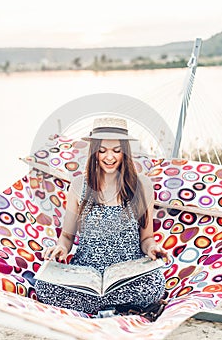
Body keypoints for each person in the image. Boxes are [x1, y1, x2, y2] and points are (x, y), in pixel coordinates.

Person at [35, 117, 168, 314]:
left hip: (129, 273)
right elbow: (67, 236)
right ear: (94, 151)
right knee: (44, 288)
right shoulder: (79, 185)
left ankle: (105, 306)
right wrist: (61, 249)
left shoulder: (143, 186)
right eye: (102, 150)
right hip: (87, 272)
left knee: (154, 284)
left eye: (116, 151)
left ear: (125, 152)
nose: (109, 157)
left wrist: (153, 248)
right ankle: (117, 307)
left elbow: (146, 238)